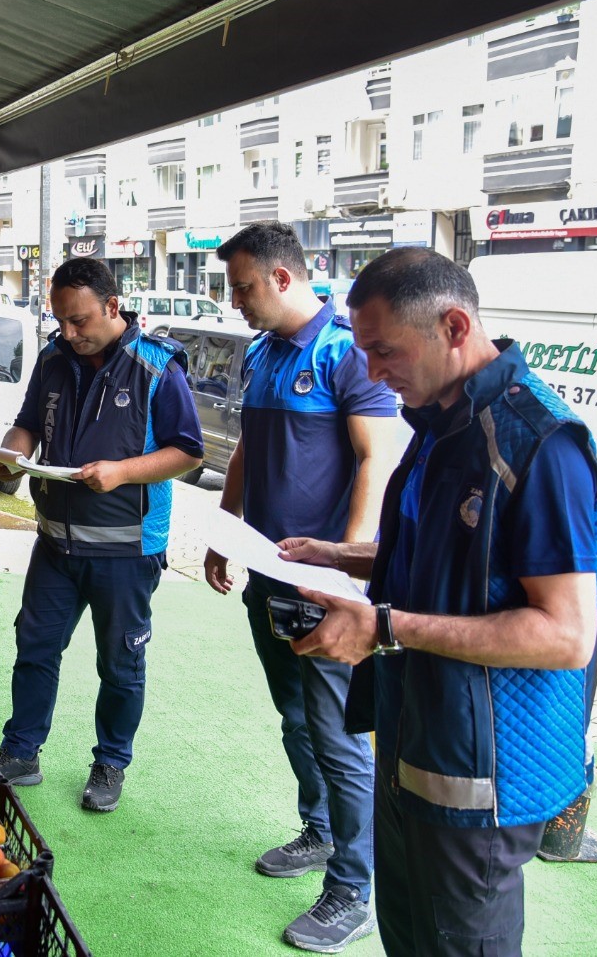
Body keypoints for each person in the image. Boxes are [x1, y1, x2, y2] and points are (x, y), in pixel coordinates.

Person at [279, 248, 597, 956]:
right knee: (409, 937)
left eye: (383, 351)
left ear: (454, 325)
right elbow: (451, 557)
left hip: (479, 781)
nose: (371, 372)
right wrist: (341, 555)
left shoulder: (541, 444)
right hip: (415, 743)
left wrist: (384, 625)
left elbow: (565, 634)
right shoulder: (439, 420)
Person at [202, 221, 400, 952]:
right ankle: (319, 832)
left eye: (244, 287)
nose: (236, 302)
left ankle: (352, 887)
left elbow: (374, 463)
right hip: (266, 571)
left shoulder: (343, 351)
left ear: (283, 279)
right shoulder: (263, 353)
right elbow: (250, 448)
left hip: (322, 588)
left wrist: (341, 575)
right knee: (294, 717)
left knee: (338, 737)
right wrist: (226, 532)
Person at [0, 257, 204, 812]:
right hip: (54, 542)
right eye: (60, 320)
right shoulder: (53, 358)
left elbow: (189, 453)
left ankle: (110, 762)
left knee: (121, 663)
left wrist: (122, 471)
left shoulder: (159, 368)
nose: (69, 332)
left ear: (113, 307)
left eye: (80, 320)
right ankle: (20, 751)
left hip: (127, 550)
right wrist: (14, 455)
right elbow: (29, 423)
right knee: (35, 647)